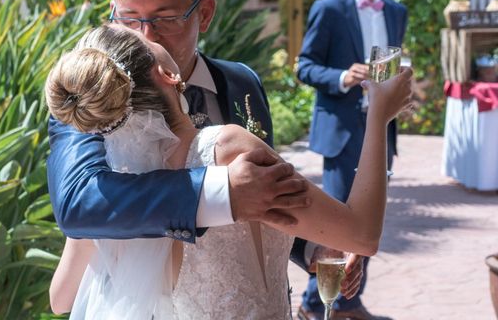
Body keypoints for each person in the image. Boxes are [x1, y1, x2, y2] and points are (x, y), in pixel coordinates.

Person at [44, 25, 412, 318]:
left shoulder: (117, 188)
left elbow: (62, 298)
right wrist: (380, 113)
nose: (151, 32)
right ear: (169, 76)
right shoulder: (227, 147)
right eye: (142, 35)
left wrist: (313, 242)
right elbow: (362, 234)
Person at [47, 0, 308, 246]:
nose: (146, 36)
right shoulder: (90, 93)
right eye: (129, 19)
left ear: (205, 14)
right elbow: (77, 203)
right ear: (112, 16)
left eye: (166, 18)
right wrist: (218, 191)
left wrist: (311, 247)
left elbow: (266, 192)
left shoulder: (242, 82)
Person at [296, 0, 408, 320]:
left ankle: (348, 301)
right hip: (344, 131)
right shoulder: (329, 9)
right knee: (338, 222)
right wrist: (343, 76)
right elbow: (304, 66)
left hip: (381, 131)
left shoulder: (396, 12)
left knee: (369, 218)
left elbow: (391, 69)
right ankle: (315, 303)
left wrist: (397, 96)